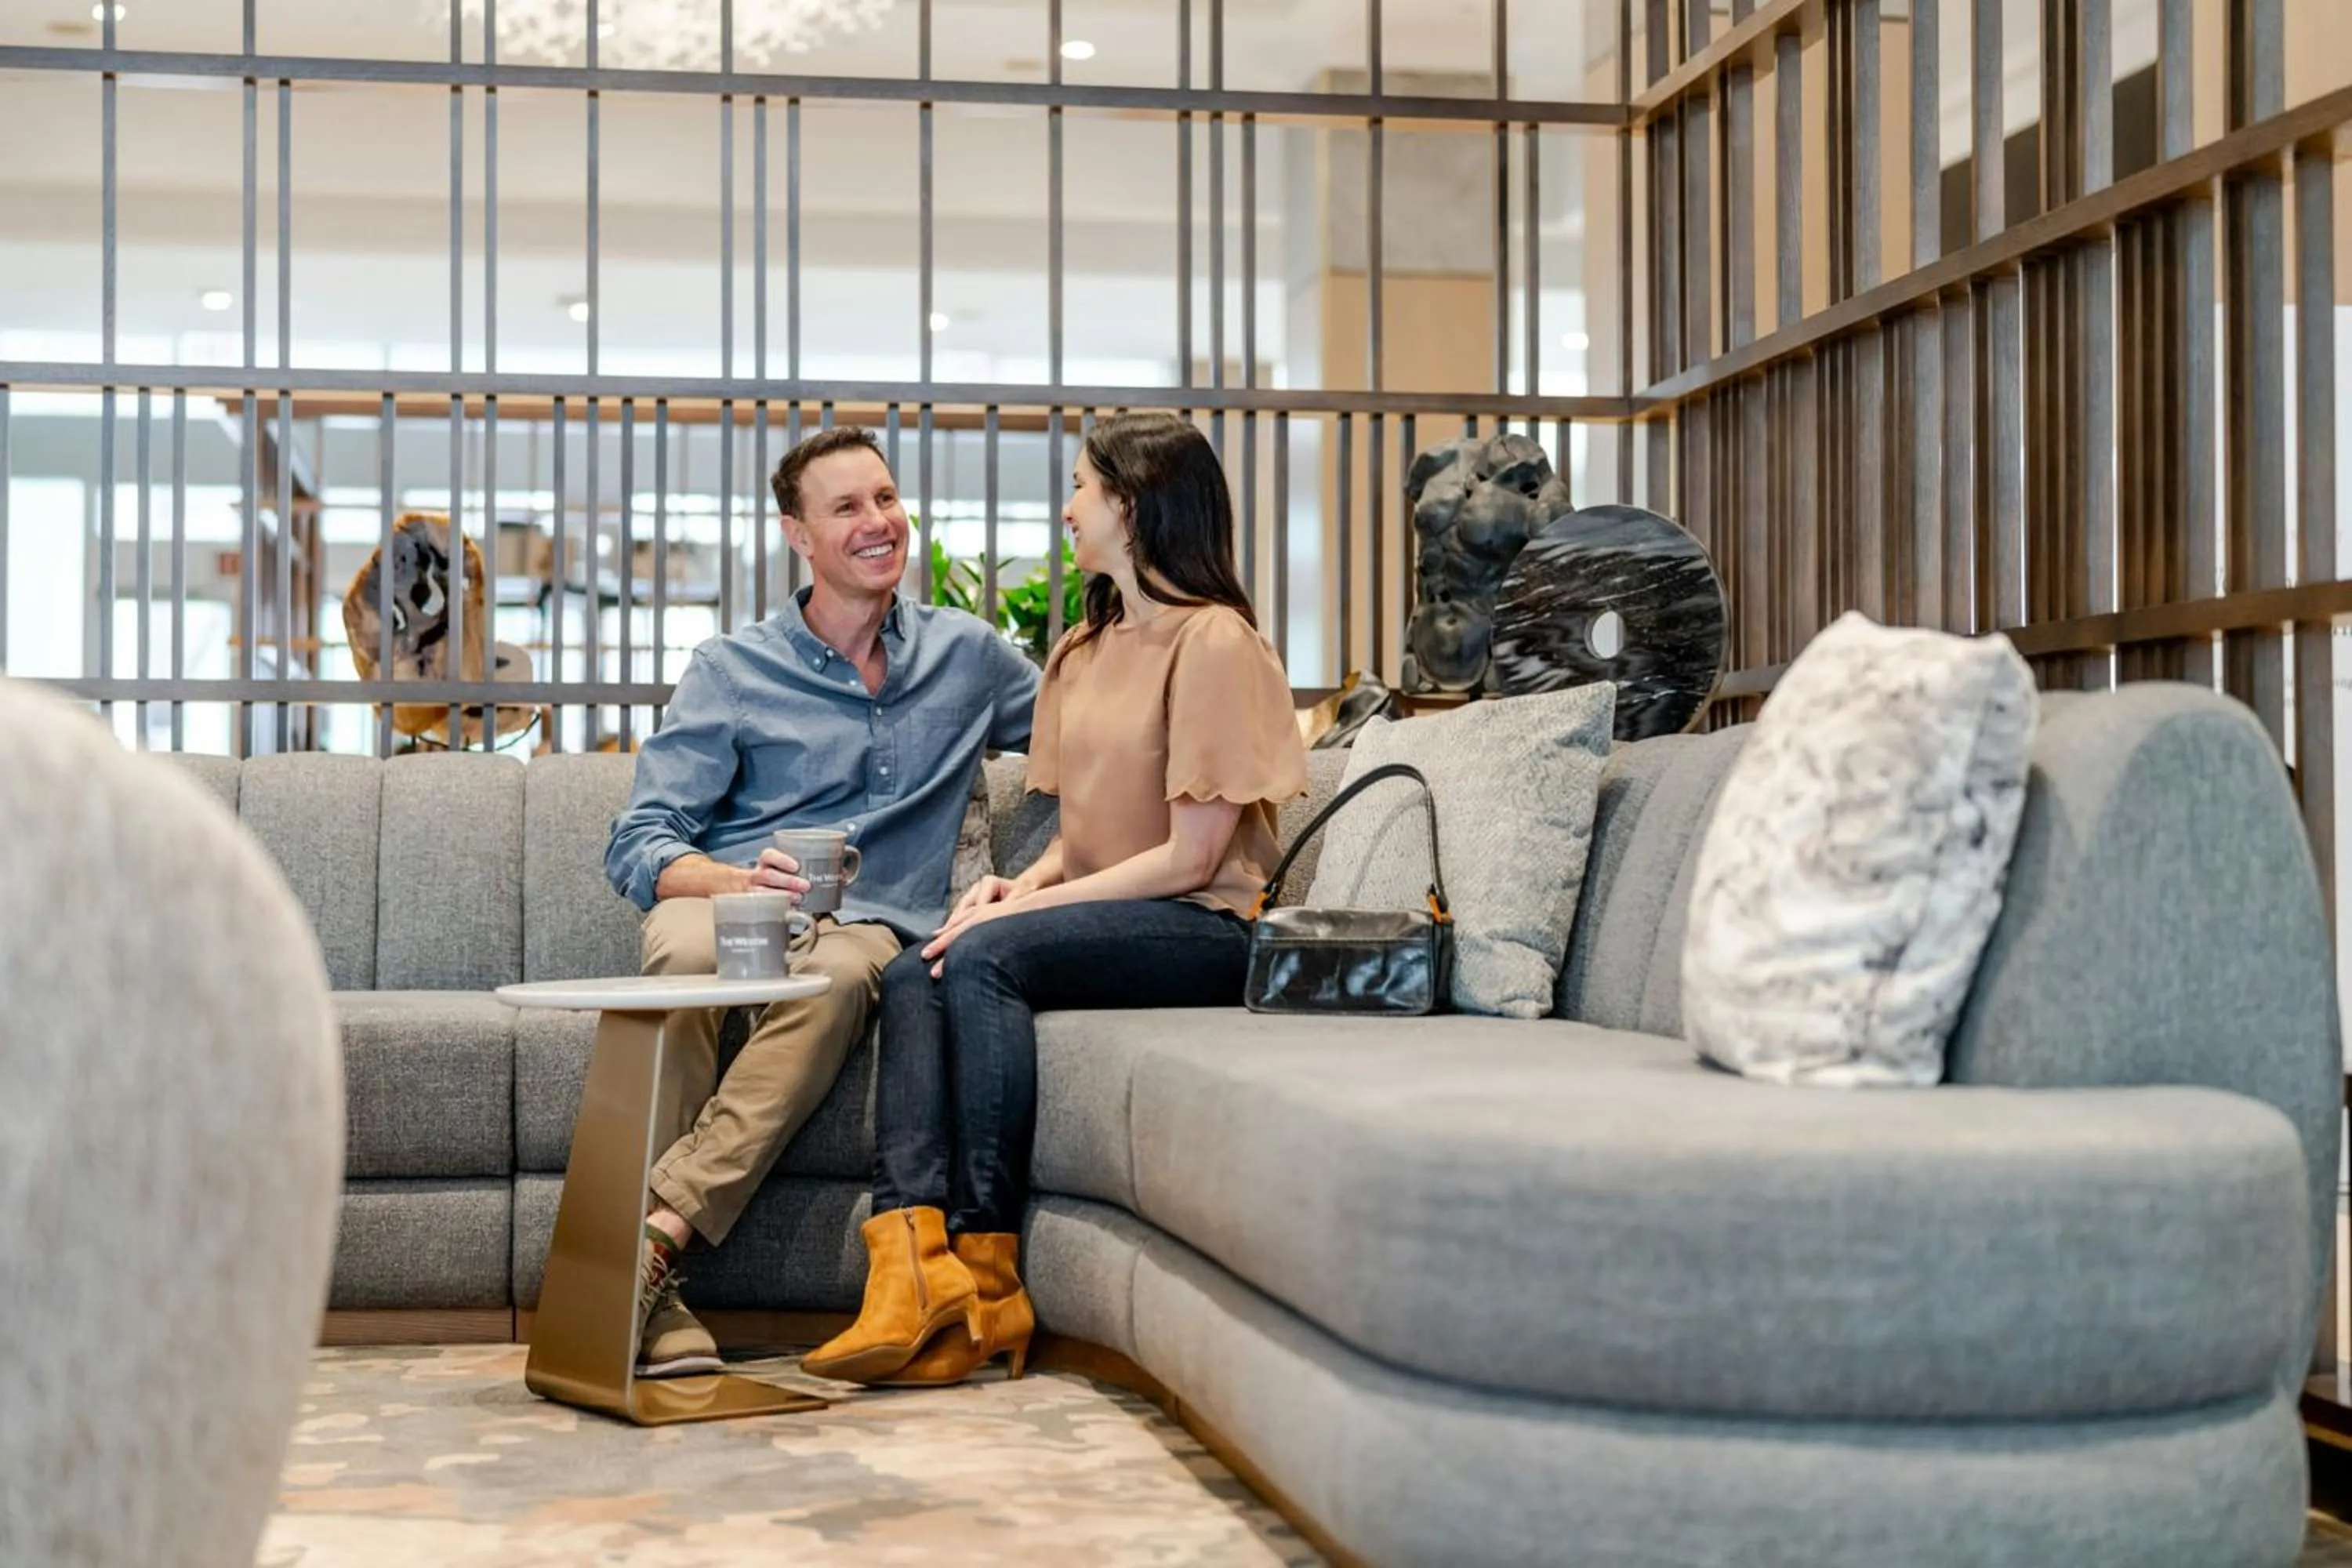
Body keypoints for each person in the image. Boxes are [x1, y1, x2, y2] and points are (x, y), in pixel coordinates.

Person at [804, 412, 1308, 1388]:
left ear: (1133, 501)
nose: (1067, 507)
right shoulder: (1087, 646)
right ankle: (910, 1270)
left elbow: (1193, 856)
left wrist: (1016, 919)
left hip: (1206, 926)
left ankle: (990, 1272)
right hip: (1124, 908)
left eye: (1081, 485)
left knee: (986, 954)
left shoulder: (1214, 642)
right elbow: (1086, 834)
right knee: (921, 964)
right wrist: (1019, 883)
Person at [602, 426, 1041, 1377]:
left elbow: (1096, 729)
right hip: (729, 897)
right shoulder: (733, 668)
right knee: (680, 960)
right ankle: (653, 1290)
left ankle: (646, 1249)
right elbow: (638, 844)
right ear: (797, 535)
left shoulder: (968, 657)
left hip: (871, 922)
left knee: (841, 979)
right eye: (847, 507)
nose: (879, 523)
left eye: (885, 499)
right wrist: (738, 880)